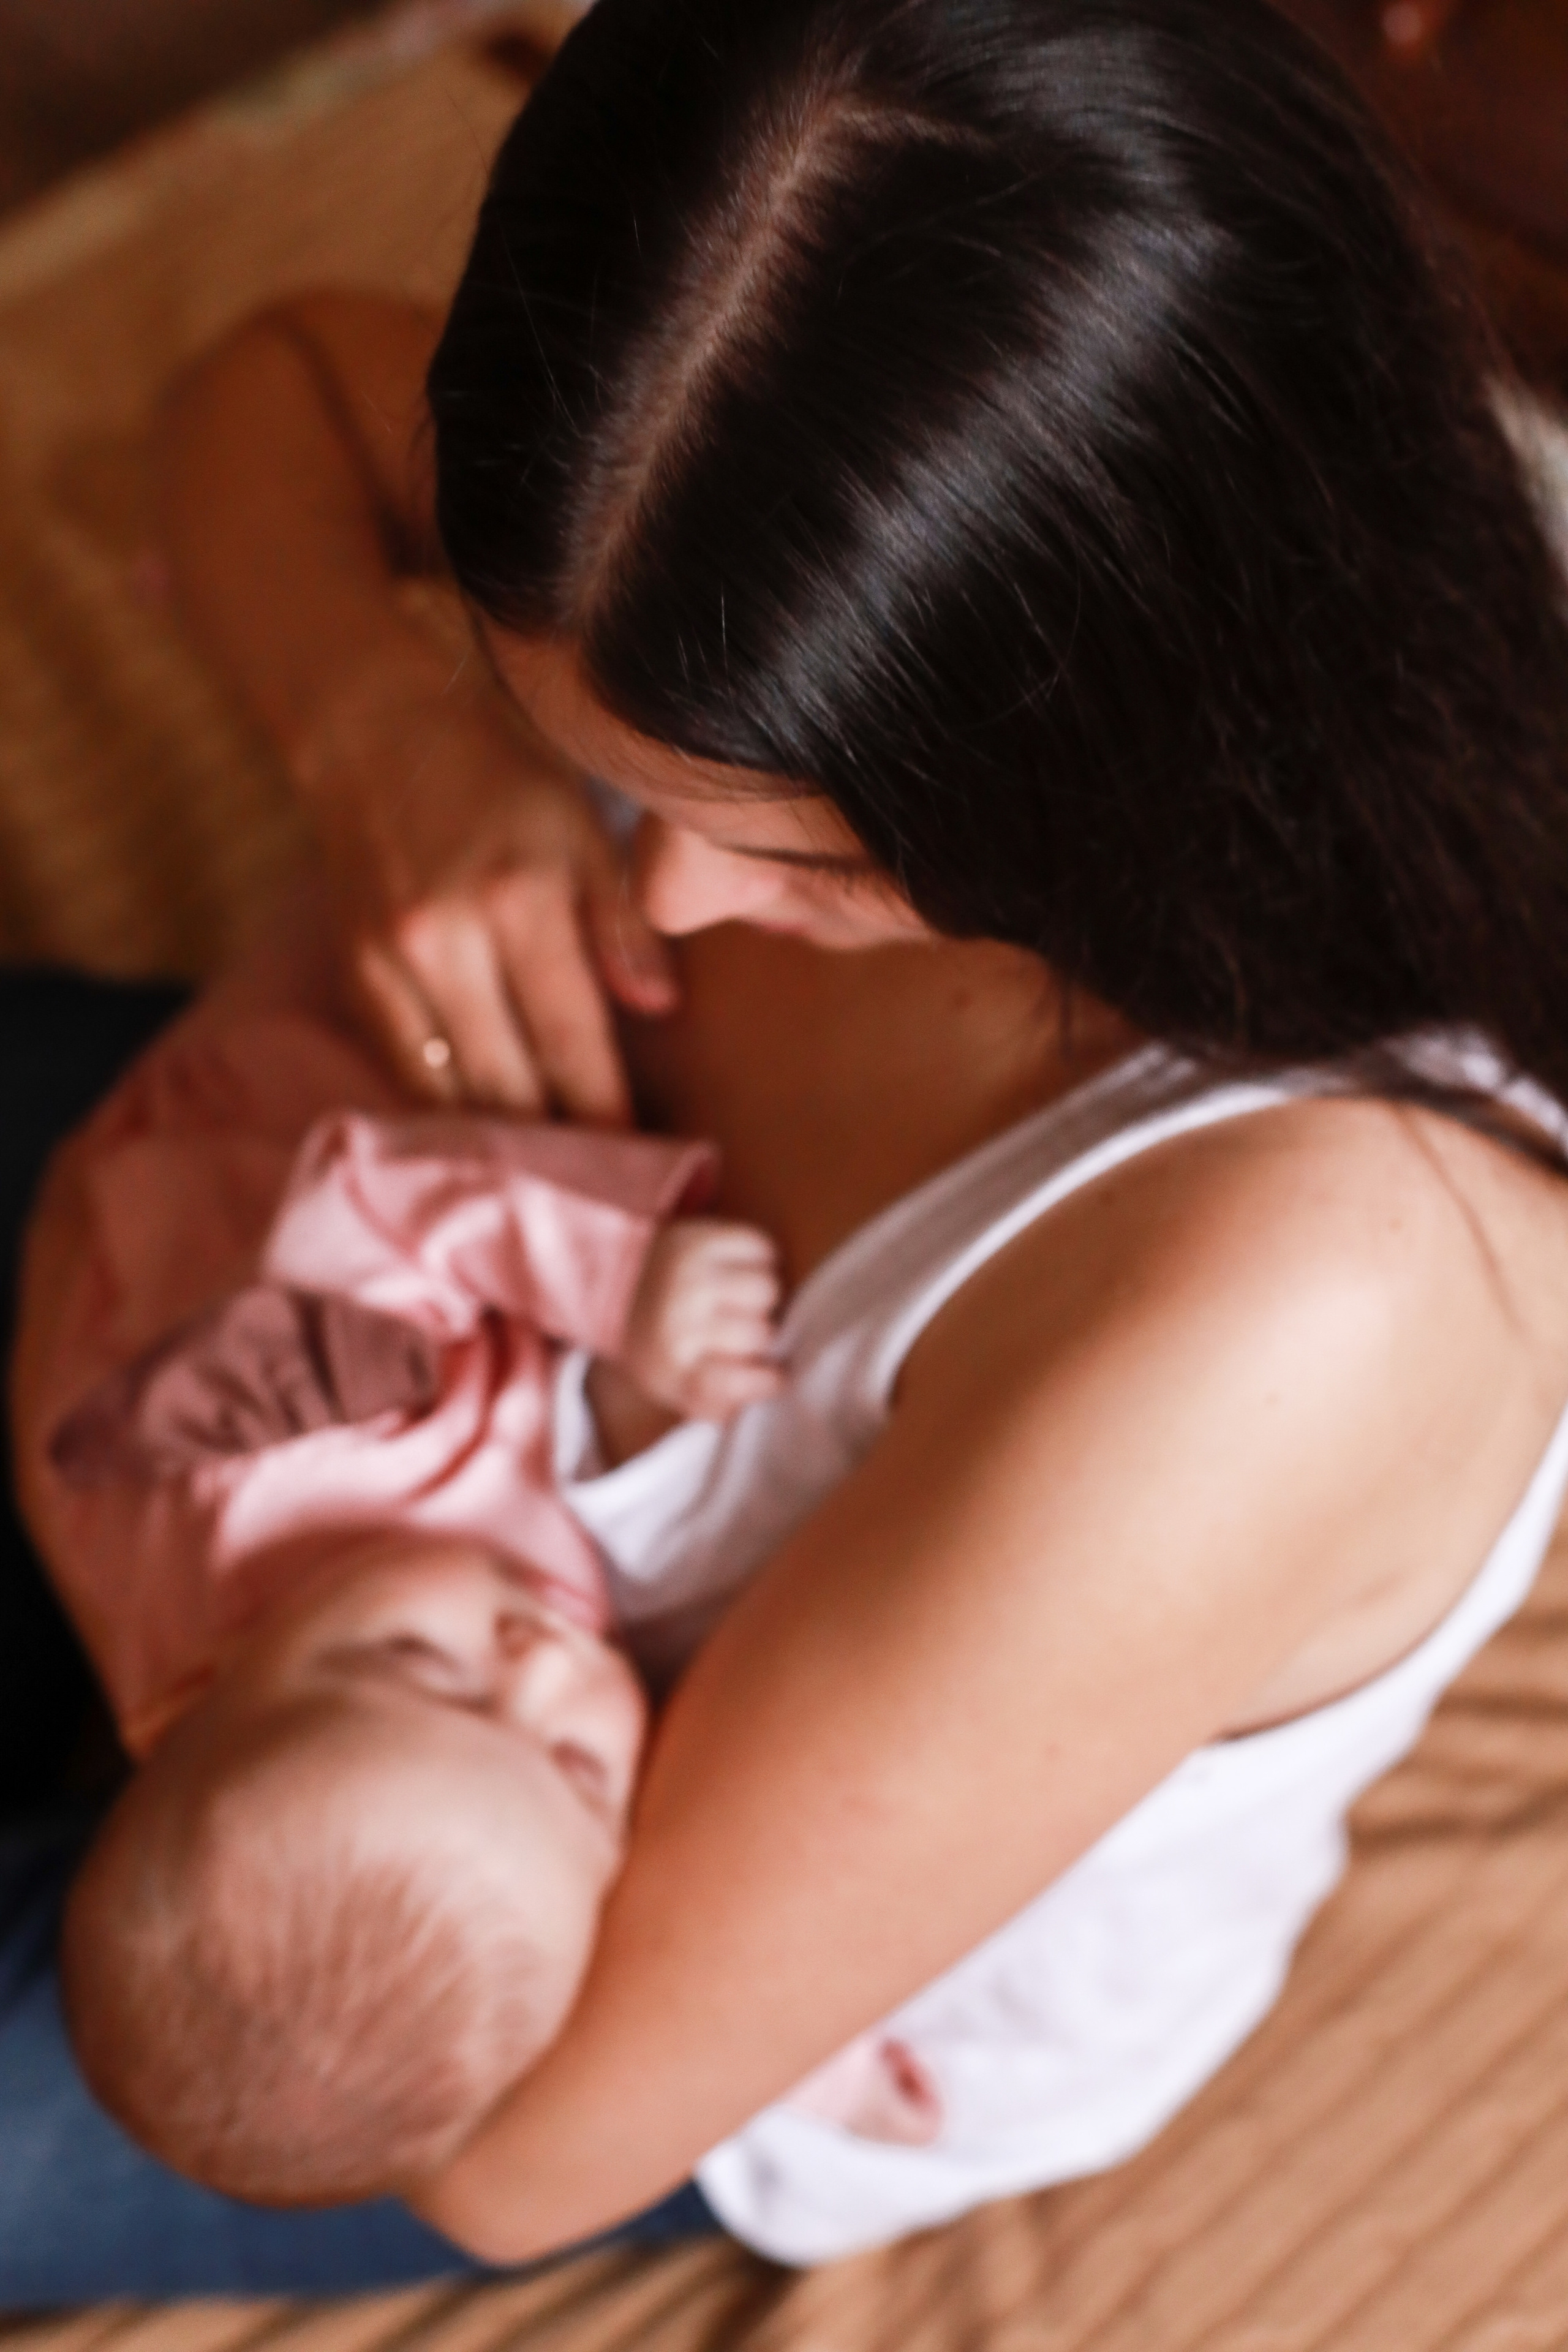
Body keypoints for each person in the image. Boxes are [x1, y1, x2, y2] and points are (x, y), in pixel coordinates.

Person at [6, 0, 1568, 2299]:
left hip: (521, 1922)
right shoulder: (733, 448)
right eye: (597, 756)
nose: (663, 906)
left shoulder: (1301, 1295)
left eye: (809, 850)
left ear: (1125, 732)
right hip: (323, 1349)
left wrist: (199, 1628)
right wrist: (385, 739)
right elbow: (278, 398)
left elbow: (513, 2165)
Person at [7, 903, 786, 2207]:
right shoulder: (282, 1733)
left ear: (195, 1690)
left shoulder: (325, 1424)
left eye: (424, 1665)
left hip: (265, 1118)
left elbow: (373, 1194)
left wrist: (619, 1282)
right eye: (580, 1768)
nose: (540, 1666)